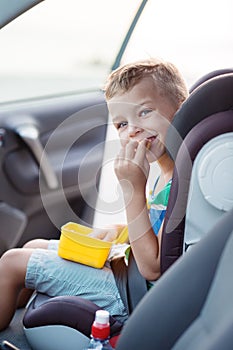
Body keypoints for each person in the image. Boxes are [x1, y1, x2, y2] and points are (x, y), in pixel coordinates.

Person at [0, 58, 188, 331]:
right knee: (32, 247)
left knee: (11, 262)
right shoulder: (163, 169)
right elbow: (161, 229)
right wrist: (117, 229)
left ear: (181, 109)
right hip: (130, 270)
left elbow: (154, 267)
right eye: (121, 124)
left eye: (145, 112)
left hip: (136, 294)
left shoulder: (180, 181)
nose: (133, 129)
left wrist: (132, 189)